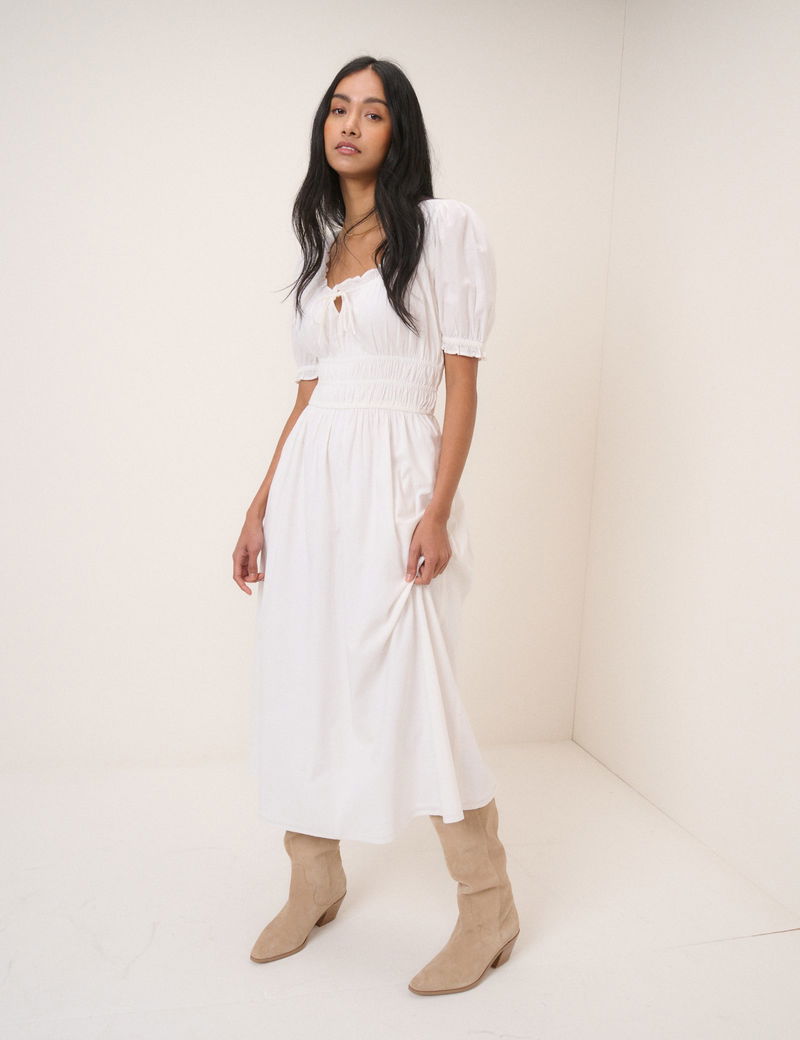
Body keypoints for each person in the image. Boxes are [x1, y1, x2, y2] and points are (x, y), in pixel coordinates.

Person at [232, 56, 520, 996]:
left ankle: (488, 904)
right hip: (311, 490)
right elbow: (306, 397)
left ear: (401, 133)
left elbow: (462, 383)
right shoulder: (322, 257)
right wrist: (260, 503)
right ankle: (314, 878)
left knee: (416, 686)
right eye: (338, 109)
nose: (350, 124)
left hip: (396, 480)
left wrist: (436, 508)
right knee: (304, 677)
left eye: (374, 112)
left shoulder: (443, 230)